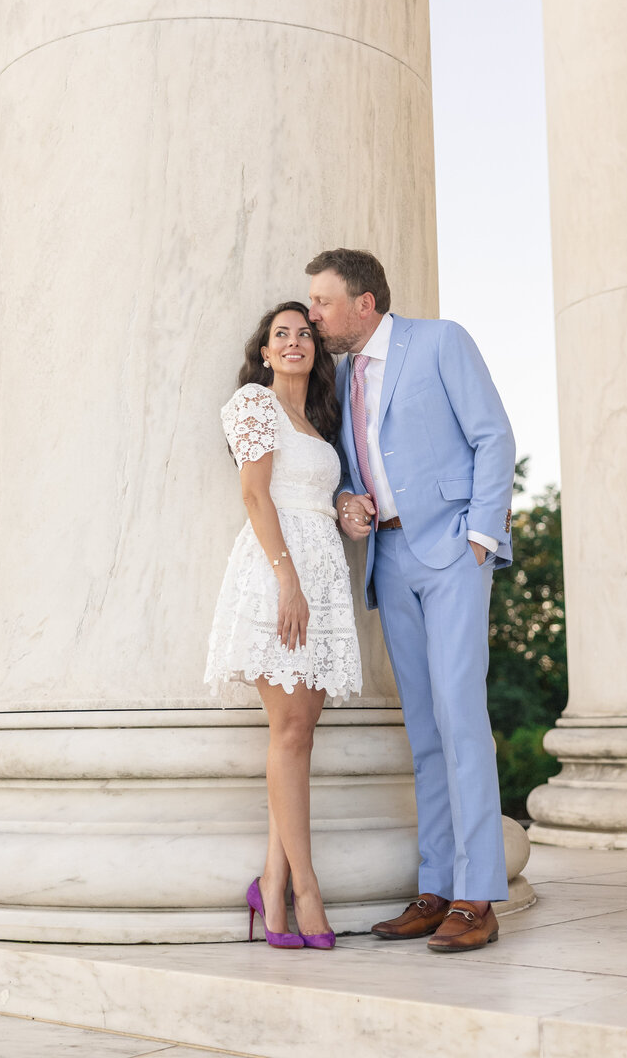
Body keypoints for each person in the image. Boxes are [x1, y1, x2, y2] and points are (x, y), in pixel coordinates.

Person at [306, 249, 515, 954]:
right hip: (390, 560)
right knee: (424, 730)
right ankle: (435, 888)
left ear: (365, 303)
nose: (313, 315)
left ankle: (477, 895)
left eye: (323, 302)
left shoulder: (441, 341)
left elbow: (492, 435)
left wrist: (481, 537)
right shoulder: (338, 375)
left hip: (454, 552)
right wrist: (348, 505)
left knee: (461, 720)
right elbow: (349, 467)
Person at [205, 300, 362, 950]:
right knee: (290, 735)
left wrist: (348, 503)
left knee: (300, 736)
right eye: (280, 334)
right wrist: (287, 581)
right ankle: (305, 891)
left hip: (322, 579)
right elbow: (254, 493)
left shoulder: (317, 421)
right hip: (281, 577)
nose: (294, 341)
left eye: (303, 333)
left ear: (314, 351)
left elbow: (317, 493)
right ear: (265, 352)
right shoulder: (254, 404)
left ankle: (269, 885)